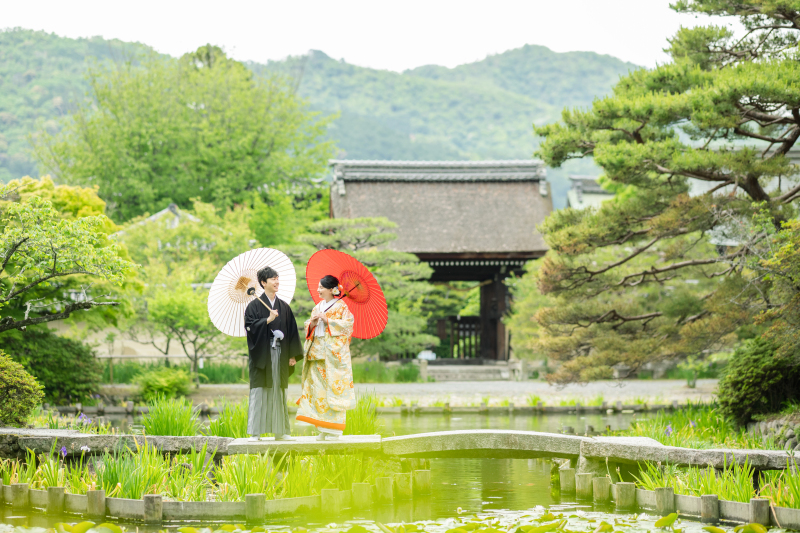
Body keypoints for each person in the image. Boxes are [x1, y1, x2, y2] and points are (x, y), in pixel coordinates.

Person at [244, 266, 303, 441]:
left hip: (281, 353)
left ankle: (281, 431)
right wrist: (266, 321)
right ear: (263, 283)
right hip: (262, 354)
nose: (277, 281)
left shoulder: (284, 307)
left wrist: (292, 355)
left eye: (277, 278)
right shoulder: (253, 306)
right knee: (260, 391)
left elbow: (292, 331)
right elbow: (250, 328)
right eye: (272, 279)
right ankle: (256, 432)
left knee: (279, 390)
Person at [296, 275, 356, 440]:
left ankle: (335, 430)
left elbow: (348, 326)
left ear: (332, 289)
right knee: (318, 391)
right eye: (318, 287)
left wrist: (328, 320)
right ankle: (323, 427)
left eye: (321, 287)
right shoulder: (317, 307)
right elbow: (308, 327)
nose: (318, 290)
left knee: (333, 390)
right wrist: (313, 323)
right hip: (316, 353)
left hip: (332, 356)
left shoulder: (341, 306)